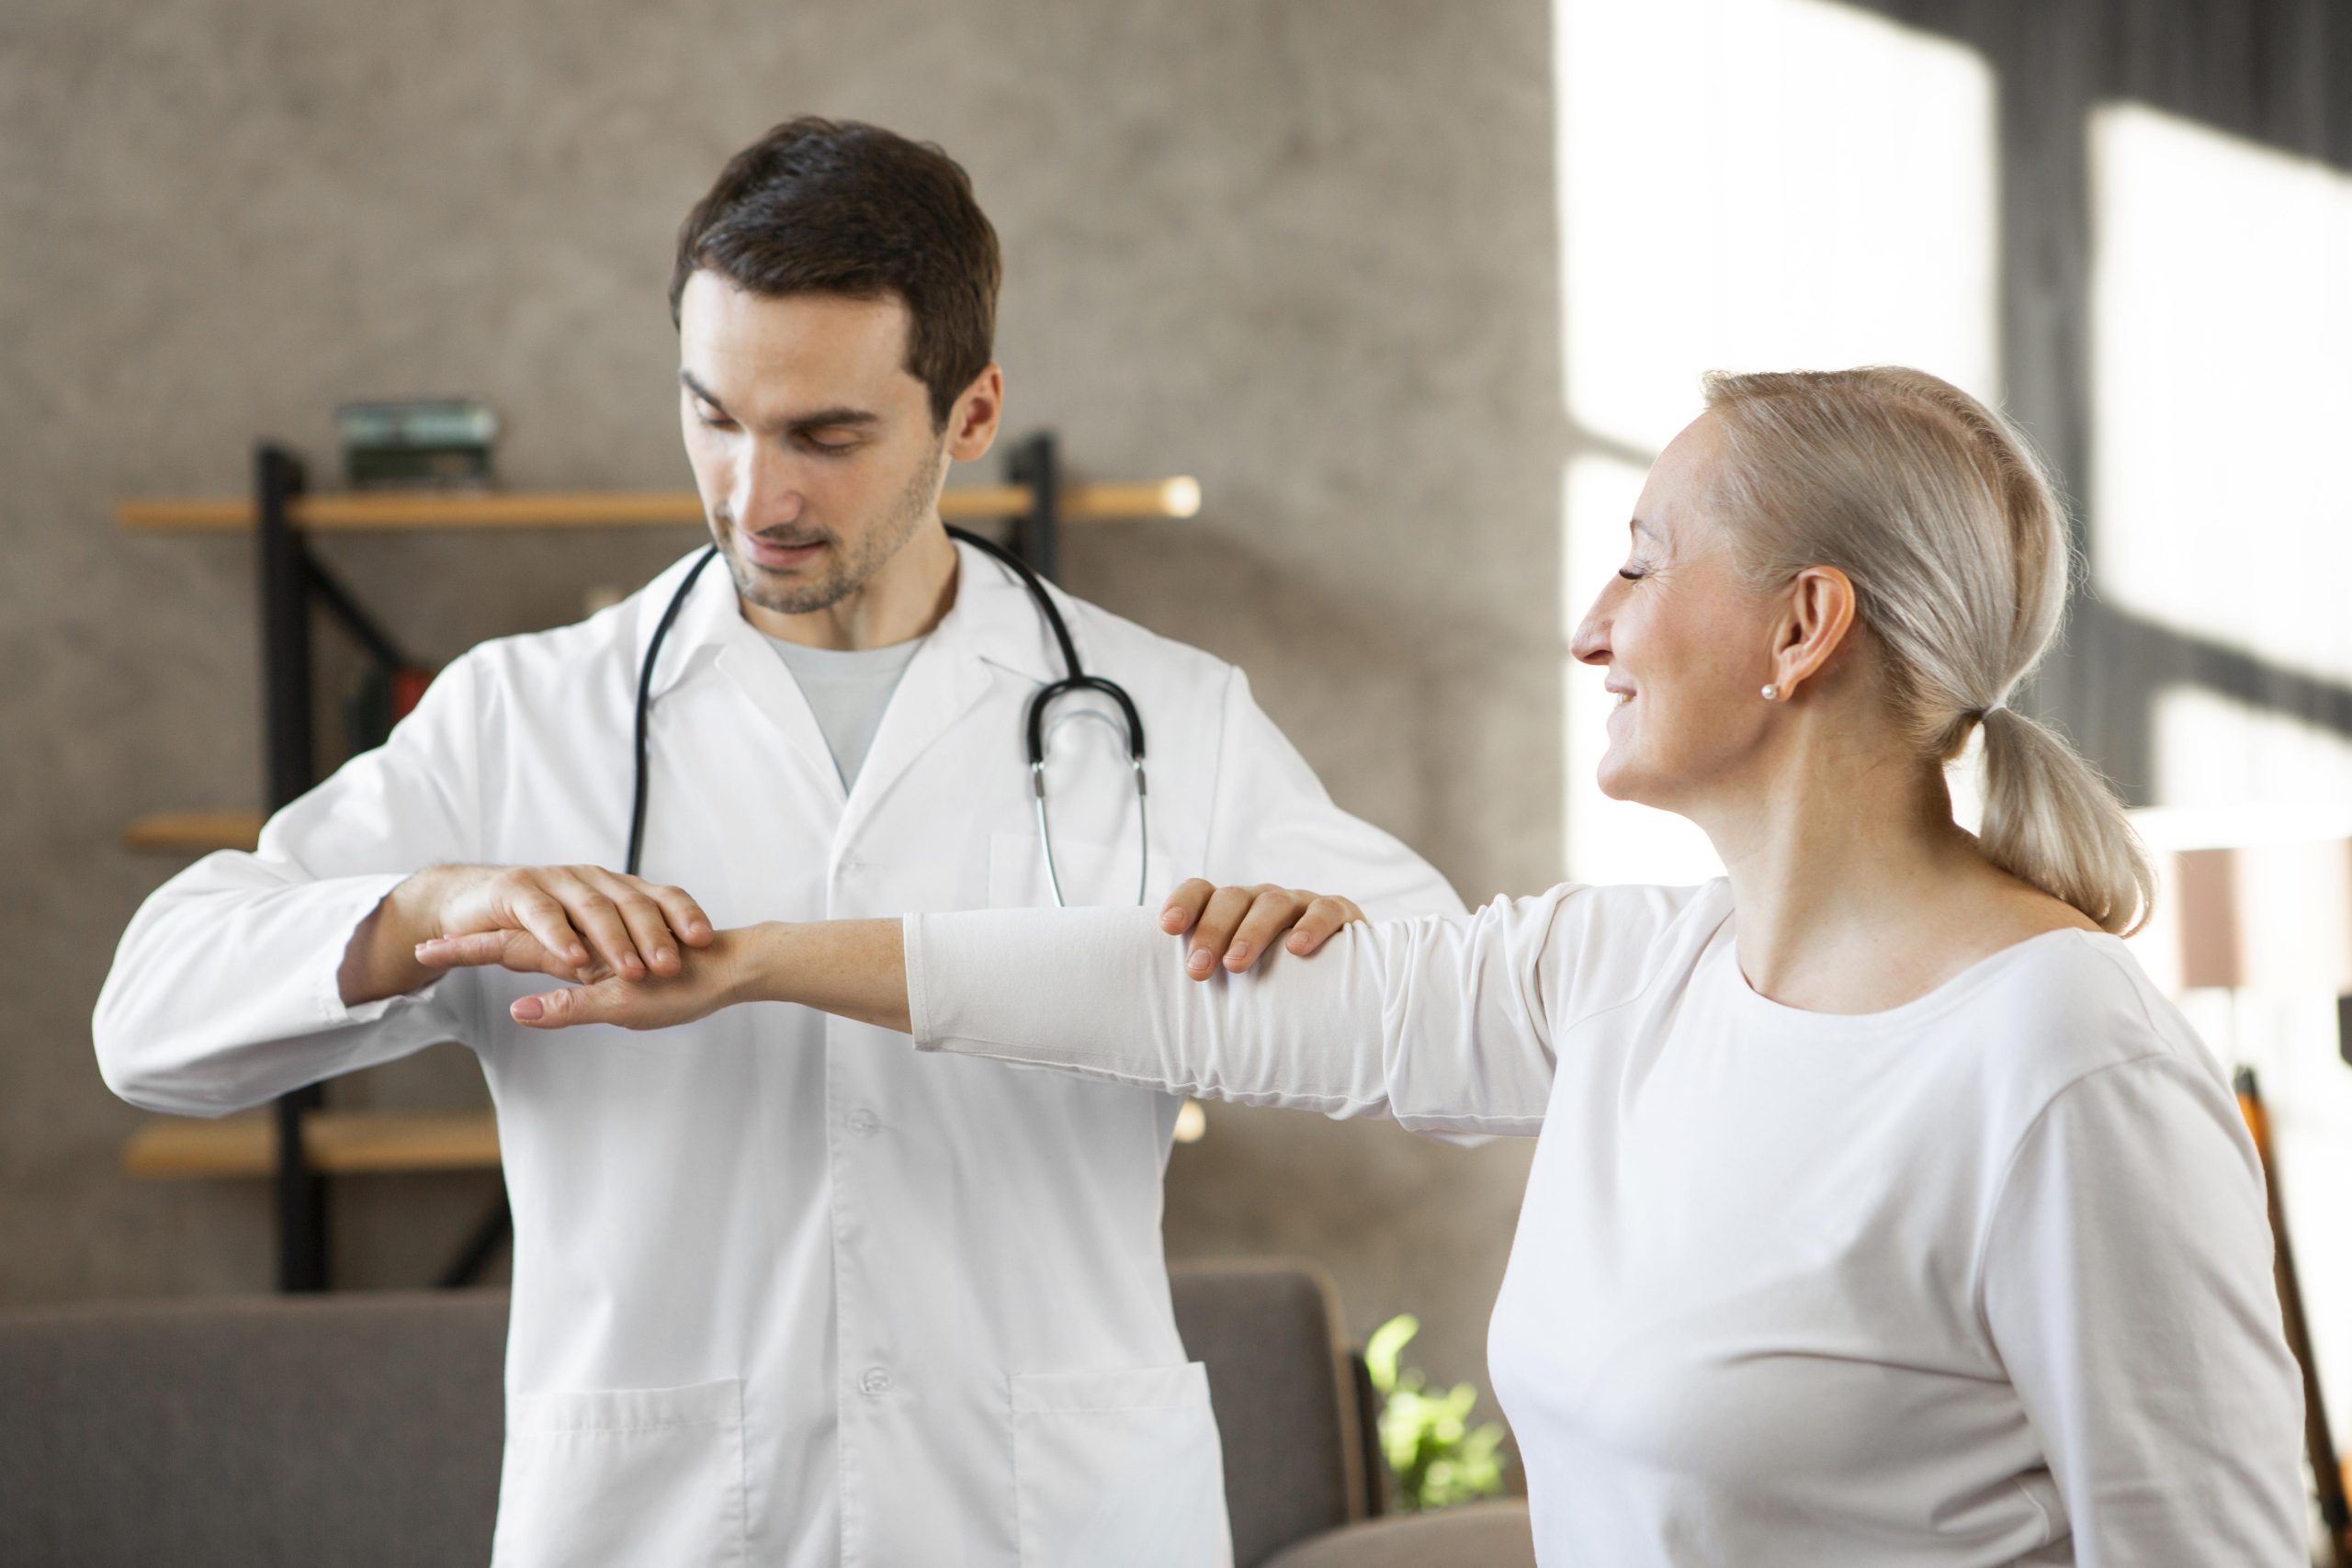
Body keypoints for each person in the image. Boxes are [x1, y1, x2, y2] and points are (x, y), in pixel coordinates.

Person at [443, 367, 2310, 1564]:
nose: (1592, 625)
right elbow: (1172, 991)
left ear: (1800, 627)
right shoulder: (1625, 974)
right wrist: (757, 956)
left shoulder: (2054, 1053)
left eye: (1647, 563)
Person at [93, 117, 1464, 1568]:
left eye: (826, 434)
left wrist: (1299, 951)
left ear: (972, 414)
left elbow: (1463, 1036)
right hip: (662, 1525)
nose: (758, 497)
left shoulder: (1159, 717)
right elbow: (150, 1023)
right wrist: (429, 901)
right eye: (715, 417)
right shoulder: (523, 718)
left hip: (1053, 1522)